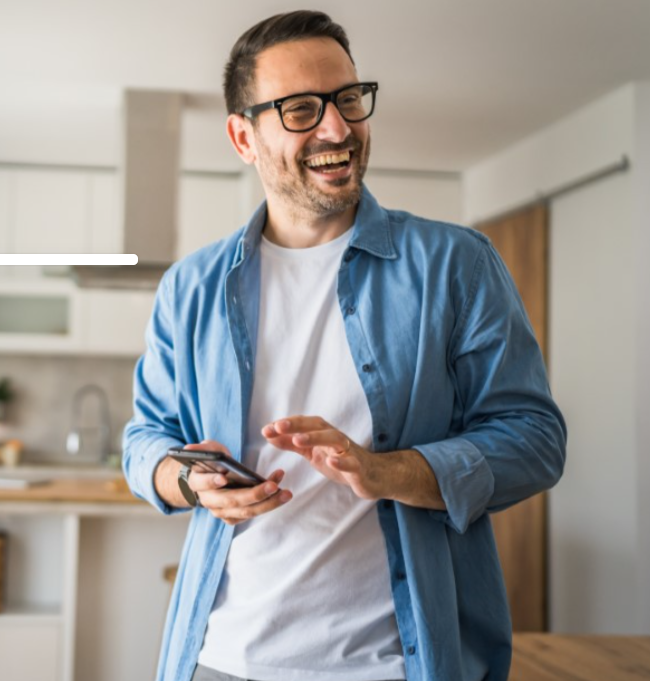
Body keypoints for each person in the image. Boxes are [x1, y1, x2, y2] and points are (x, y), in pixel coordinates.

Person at [122, 10, 567, 681]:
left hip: (395, 665)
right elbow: (145, 438)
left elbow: (535, 438)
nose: (337, 128)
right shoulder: (192, 287)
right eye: (300, 109)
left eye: (348, 100)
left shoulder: (455, 264)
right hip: (221, 658)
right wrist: (186, 478)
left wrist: (389, 470)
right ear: (243, 137)